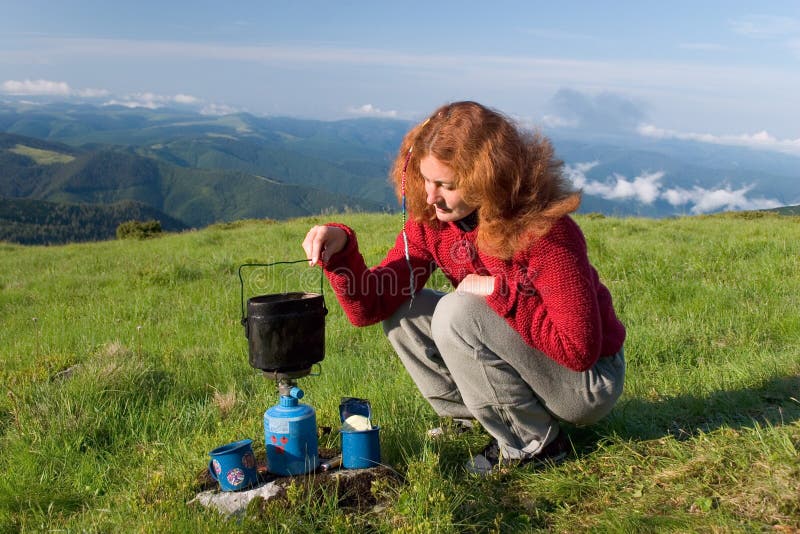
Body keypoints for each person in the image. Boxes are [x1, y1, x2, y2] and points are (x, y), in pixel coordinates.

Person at [302, 101, 626, 474]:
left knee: (459, 311)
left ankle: (533, 446)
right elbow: (371, 307)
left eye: (446, 185)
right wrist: (341, 250)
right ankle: (483, 417)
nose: (430, 195)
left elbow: (578, 350)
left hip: (584, 384)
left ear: (486, 179)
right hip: (532, 356)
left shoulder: (547, 233)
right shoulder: (433, 223)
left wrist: (496, 291)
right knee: (405, 311)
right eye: (424, 179)